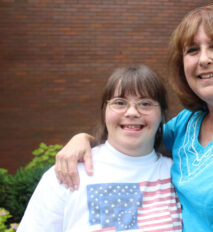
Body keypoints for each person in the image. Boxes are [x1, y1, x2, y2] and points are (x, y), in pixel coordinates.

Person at [55, 5, 213, 231]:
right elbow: (132, 138)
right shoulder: (187, 123)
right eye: (192, 50)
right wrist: (83, 139)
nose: (204, 59)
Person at [18, 65, 182, 231]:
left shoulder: (179, 174)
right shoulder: (68, 174)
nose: (132, 112)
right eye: (120, 102)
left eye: (145, 103)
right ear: (105, 111)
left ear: (162, 113)